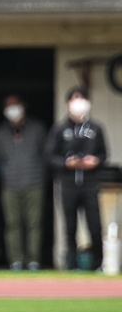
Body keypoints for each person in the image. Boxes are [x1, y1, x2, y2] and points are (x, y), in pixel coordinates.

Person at [44, 87, 107, 271]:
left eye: (82, 99)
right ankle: (71, 264)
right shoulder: (60, 129)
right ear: (68, 104)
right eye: (74, 99)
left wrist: (95, 161)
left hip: (90, 183)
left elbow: (103, 154)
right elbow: (49, 156)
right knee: (70, 226)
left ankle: (98, 263)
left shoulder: (95, 129)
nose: (78, 103)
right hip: (68, 183)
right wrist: (66, 163)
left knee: (95, 225)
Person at [0, 95, 47, 271]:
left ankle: (33, 260)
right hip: (10, 185)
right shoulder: (0, 133)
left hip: (35, 182)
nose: (13, 109)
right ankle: (15, 260)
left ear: (24, 106)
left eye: (16, 105)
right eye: (8, 106)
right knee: (12, 224)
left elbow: (45, 155)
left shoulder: (37, 129)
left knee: (34, 224)